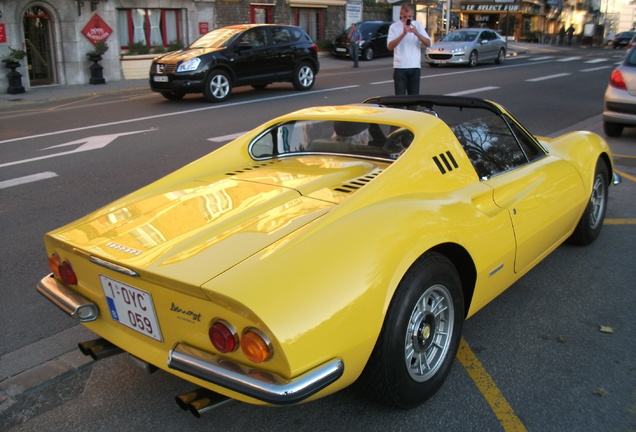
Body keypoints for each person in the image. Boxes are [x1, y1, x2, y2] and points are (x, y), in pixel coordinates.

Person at [387, 3, 431, 96]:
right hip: (400, 67)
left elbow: (428, 43)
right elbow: (390, 47)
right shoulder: (394, 27)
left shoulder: (417, 26)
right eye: (404, 17)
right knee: (400, 99)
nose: (407, 19)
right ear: (400, 14)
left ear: (413, 15)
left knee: (414, 98)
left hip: (414, 66)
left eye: (409, 17)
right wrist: (403, 34)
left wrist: (417, 33)